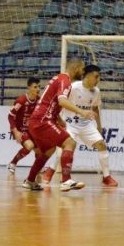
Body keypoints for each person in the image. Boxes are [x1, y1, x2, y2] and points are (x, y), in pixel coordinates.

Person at [22, 58, 96, 192]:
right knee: (70, 143)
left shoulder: (57, 78)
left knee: (48, 151)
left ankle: (30, 181)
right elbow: (62, 101)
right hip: (43, 121)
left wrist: (60, 122)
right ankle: (66, 180)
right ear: (76, 68)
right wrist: (82, 112)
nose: (83, 72)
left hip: (37, 121)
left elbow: (52, 103)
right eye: (82, 69)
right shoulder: (65, 81)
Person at [41, 64, 118, 187]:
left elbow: (95, 108)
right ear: (87, 76)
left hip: (86, 124)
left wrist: (99, 126)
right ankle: (51, 170)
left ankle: (106, 176)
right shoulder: (73, 87)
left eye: (99, 77)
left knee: (102, 144)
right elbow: (61, 102)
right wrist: (58, 118)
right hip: (70, 123)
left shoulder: (96, 91)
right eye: (96, 77)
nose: (98, 80)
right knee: (65, 148)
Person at [7, 77, 42, 174]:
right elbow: (10, 116)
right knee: (30, 146)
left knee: (40, 150)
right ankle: (13, 163)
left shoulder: (39, 101)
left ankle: (37, 169)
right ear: (29, 88)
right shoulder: (21, 100)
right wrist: (15, 131)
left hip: (32, 130)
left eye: (39, 87)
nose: (38, 89)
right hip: (19, 129)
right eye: (35, 87)